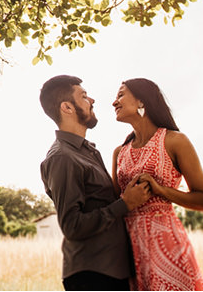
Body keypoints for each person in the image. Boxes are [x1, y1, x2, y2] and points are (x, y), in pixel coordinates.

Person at [40, 74, 151, 291]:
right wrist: (125, 204)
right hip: (92, 275)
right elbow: (72, 225)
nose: (91, 100)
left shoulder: (88, 151)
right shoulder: (62, 158)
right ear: (67, 108)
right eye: (83, 96)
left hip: (113, 271)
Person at [112, 78, 203, 291]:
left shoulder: (175, 141)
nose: (114, 102)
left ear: (141, 101)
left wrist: (161, 191)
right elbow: (113, 206)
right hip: (129, 249)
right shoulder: (119, 153)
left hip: (168, 244)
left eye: (120, 95)